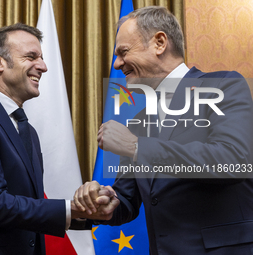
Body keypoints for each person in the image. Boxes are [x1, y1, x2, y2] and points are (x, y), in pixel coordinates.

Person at [74, 6, 253, 255]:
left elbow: (232, 161)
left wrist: (136, 147)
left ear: (159, 42)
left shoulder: (223, 86)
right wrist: (103, 201)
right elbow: (127, 200)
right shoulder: (138, 121)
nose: (117, 64)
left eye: (123, 52)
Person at [0, 23, 114, 255]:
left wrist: (89, 211)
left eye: (42, 58)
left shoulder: (27, 131)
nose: (43, 67)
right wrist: (71, 208)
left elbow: (27, 205)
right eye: (31, 57)